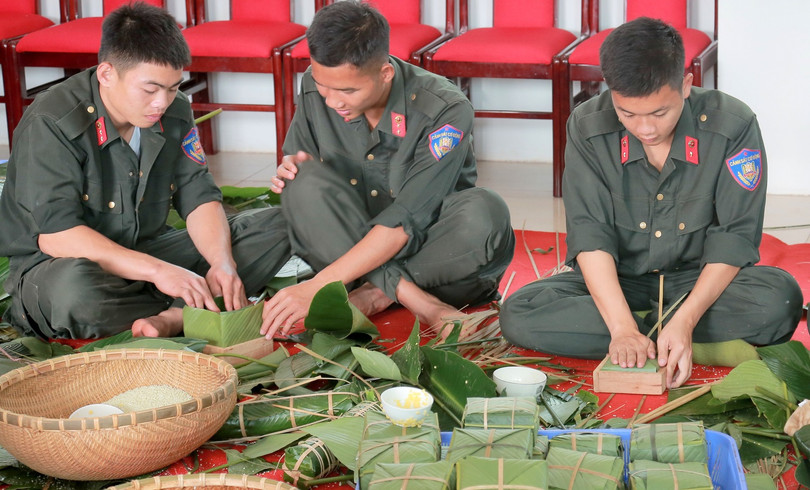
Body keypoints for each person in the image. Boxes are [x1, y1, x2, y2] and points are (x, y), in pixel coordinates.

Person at [500, 17, 802, 389]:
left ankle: (667, 334)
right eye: (628, 114)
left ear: (686, 85)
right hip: (620, 281)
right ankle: (662, 338)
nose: (645, 129)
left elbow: (734, 238)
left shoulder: (732, 125)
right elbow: (590, 234)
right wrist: (621, 327)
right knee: (519, 313)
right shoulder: (587, 125)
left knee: (780, 301)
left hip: (696, 281)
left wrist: (686, 319)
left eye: (659, 113)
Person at [0, 2, 291, 339]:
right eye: (150, 89)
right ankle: (190, 306)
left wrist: (222, 262)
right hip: (65, 266)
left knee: (281, 224)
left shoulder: (173, 110)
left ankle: (174, 316)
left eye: (173, 88)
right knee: (76, 293)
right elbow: (57, 235)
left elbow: (197, 195)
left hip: (148, 251)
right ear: (107, 74)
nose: (162, 103)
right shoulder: (52, 122)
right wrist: (159, 272)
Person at [260, 1, 514, 339]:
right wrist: (292, 172)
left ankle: (374, 295)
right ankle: (416, 301)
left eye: (348, 91)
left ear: (385, 73)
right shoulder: (316, 84)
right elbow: (301, 161)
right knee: (300, 185)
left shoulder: (445, 109)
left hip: (433, 259)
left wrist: (319, 284)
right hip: (351, 254)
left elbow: (405, 222)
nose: (333, 101)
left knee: (485, 211)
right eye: (324, 86)